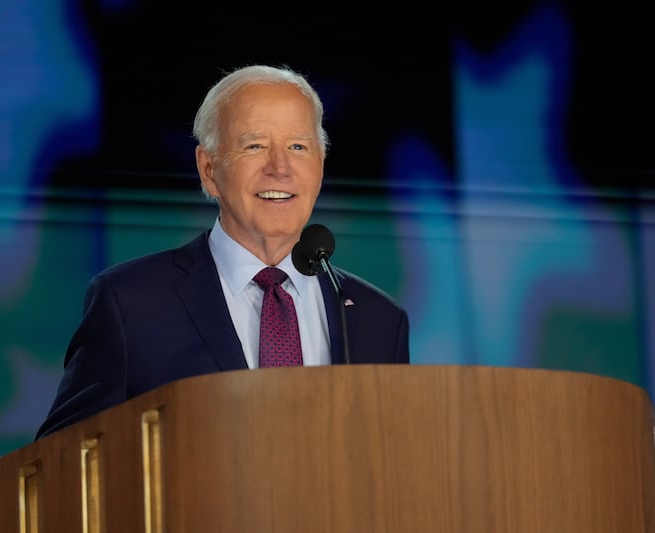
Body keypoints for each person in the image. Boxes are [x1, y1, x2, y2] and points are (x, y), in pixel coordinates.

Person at [35, 64, 409, 440]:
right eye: (255, 146)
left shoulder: (379, 319)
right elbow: (62, 463)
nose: (280, 167)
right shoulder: (129, 304)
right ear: (209, 169)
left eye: (298, 146)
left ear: (320, 167)